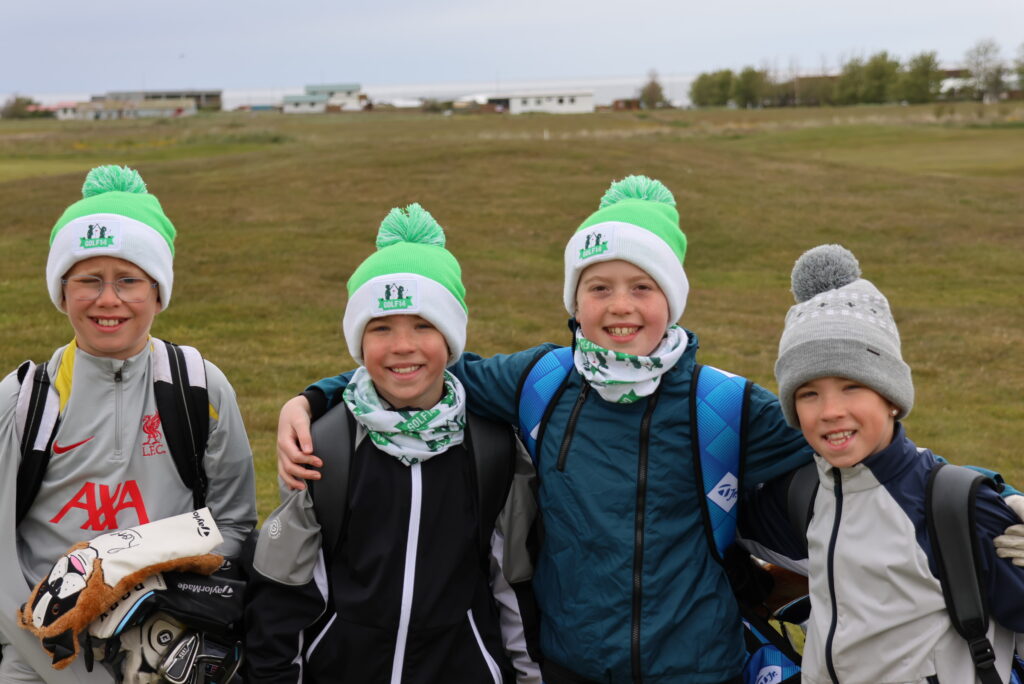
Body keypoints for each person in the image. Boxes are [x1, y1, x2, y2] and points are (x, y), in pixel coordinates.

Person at [277, 177, 814, 683]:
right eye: (598, 286)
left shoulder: (726, 404)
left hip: (699, 666)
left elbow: (835, 440)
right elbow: (415, 369)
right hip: (568, 664)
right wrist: (313, 398)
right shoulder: (542, 380)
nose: (620, 306)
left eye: (642, 287)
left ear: (671, 299)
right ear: (575, 303)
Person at [245, 204, 541, 683]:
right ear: (358, 343)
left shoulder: (493, 448)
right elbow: (286, 588)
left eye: (424, 326)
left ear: (451, 340)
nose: (403, 346)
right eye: (381, 328)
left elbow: (512, 585)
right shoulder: (324, 444)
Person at [0, 165, 258, 682]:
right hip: (40, 665)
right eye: (88, 281)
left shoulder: (199, 390)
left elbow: (234, 525)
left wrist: (146, 584)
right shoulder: (22, 400)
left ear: (158, 292)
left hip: (164, 658)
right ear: (62, 291)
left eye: (129, 281)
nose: (108, 300)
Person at [742, 244, 1024, 683]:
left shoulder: (959, 508)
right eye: (808, 393)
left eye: (852, 386)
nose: (830, 410)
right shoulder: (803, 496)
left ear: (892, 396)